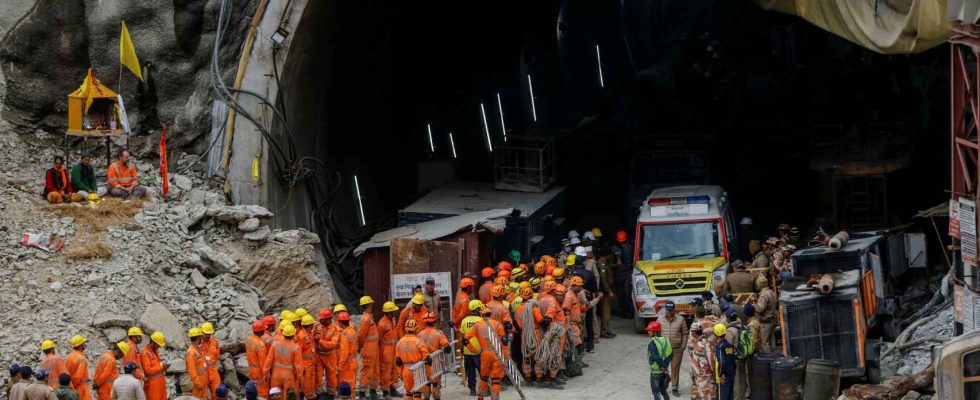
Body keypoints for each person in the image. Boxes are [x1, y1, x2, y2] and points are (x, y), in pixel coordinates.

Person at [465, 306, 505, 400]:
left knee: (484, 378)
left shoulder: (477, 325)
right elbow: (504, 340)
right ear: (490, 314)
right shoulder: (497, 324)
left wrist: (474, 350)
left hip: (484, 354)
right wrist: (506, 355)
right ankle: (495, 398)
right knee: (496, 380)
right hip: (497, 353)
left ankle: (480, 397)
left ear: (481, 314)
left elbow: (465, 340)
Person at [656, 301, 688, 397]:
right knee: (662, 368)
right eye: (668, 310)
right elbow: (656, 333)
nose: (670, 312)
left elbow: (685, 333)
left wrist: (683, 346)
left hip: (677, 349)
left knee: (675, 369)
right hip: (664, 350)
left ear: (674, 309)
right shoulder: (660, 319)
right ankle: (663, 385)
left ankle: (675, 388)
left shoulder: (681, 319)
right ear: (665, 309)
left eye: (671, 310)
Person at [395, 320, 431, 400]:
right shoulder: (419, 342)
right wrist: (429, 374)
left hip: (406, 371)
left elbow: (398, 362)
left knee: (408, 393)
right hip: (417, 370)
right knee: (417, 394)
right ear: (415, 329)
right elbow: (427, 359)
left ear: (405, 329)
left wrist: (400, 374)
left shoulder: (400, 342)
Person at [263, 324, 303, 396]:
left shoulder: (275, 344)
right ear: (293, 335)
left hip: (276, 374)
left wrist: (265, 373)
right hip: (289, 376)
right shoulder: (296, 347)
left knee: (276, 395)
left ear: (283, 333)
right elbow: (299, 366)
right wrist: (300, 379)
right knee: (289, 396)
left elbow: (269, 360)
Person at [514, 287, 542, 385]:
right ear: (531, 296)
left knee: (526, 357)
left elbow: (517, 323)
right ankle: (539, 378)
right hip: (535, 333)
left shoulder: (518, 309)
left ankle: (528, 378)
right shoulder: (534, 307)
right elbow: (540, 320)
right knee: (538, 356)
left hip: (524, 334)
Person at [417, 312, 450, 400]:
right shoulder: (438, 333)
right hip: (435, 364)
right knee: (435, 384)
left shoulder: (419, 334)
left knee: (426, 383)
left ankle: (426, 397)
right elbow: (447, 348)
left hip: (424, 364)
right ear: (434, 321)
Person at [356, 296, 381, 399]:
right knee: (367, 370)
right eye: (371, 304)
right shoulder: (365, 319)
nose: (372, 306)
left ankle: (373, 390)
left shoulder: (369, 317)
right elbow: (361, 335)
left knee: (375, 370)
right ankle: (362, 392)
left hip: (373, 348)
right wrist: (360, 346)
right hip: (368, 349)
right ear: (369, 305)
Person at [459, 300, 484, 396]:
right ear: (477, 309)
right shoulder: (481, 320)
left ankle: (472, 390)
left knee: (470, 372)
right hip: (479, 350)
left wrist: (462, 348)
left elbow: (461, 335)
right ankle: (485, 388)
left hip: (467, 350)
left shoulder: (465, 320)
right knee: (483, 371)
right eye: (480, 308)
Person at [313, 308, 340, 398]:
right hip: (319, 355)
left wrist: (320, 341)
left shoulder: (335, 330)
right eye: (320, 319)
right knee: (318, 375)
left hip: (330, 355)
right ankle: (319, 394)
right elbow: (312, 338)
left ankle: (331, 394)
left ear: (328, 319)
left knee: (331, 375)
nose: (320, 320)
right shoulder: (317, 327)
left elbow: (333, 344)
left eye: (322, 319)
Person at [377, 302, 401, 399]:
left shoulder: (391, 321)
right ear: (388, 313)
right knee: (386, 371)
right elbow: (378, 339)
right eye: (393, 312)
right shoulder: (382, 324)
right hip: (385, 351)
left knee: (394, 370)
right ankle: (385, 391)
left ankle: (393, 389)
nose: (394, 314)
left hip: (393, 349)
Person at [646, 322, 672, 400]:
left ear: (655, 331)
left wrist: (662, 367)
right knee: (663, 390)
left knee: (656, 392)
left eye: (650, 330)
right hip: (664, 372)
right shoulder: (666, 340)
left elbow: (656, 357)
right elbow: (671, 354)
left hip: (656, 372)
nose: (648, 332)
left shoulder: (652, 343)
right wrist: (665, 367)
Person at [688, 326, 714, 400]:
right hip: (697, 374)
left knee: (705, 394)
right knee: (699, 393)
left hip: (704, 375)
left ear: (694, 332)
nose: (691, 333)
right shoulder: (697, 341)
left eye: (691, 331)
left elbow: (711, 359)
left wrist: (714, 372)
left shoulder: (705, 343)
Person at [140, 333, 168, 400]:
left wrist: (164, 367)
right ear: (153, 342)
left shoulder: (154, 352)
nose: (159, 347)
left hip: (160, 383)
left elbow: (156, 367)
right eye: (158, 345)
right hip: (152, 385)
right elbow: (147, 370)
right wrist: (161, 366)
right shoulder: (145, 353)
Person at [245, 321, 269, 399]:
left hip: (251, 369)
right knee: (262, 391)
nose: (265, 331)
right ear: (260, 332)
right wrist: (266, 375)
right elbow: (263, 363)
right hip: (259, 372)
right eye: (263, 330)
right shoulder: (260, 344)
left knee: (254, 387)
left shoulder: (248, 339)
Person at [336, 311, 358, 392]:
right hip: (353, 362)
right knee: (352, 385)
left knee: (347, 386)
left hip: (347, 365)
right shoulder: (353, 331)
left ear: (340, 322)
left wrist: (340, 366)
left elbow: (344, 352)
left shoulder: (344, 334)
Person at [596, 252, 616, 338]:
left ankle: (607, 330)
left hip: (606, 290)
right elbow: (603, 279)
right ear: (607, 254)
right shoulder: (601, 263)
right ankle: (604, 331)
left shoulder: (605, 262)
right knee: (605, 312)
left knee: (607, 312)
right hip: (604, 291)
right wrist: (608, 291)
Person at [199, 322, 222, 400]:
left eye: (210, 333)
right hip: (202, 374)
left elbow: (217, 356)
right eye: (206, 333)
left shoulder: (215, 342)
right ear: (201, 333)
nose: (208, 335)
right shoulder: (197, 344)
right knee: (202, 396)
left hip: (213, 372)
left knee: (217, 394)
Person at [714, 324, 737, 400]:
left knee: (722, 396)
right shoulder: (729, 345)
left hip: (724, 376)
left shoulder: (719, 346)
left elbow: (721, 361)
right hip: (731, 374)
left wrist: (720, 376)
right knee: (730, 396)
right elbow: (733, 360)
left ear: (716, 334)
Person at [755, 275, 777, 353]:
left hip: (766, 321)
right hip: (773, 319)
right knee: (772, 342)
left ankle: (768, 360)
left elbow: (760, 309)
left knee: (764, 343)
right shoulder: (771, 292)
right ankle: (774, 359)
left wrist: (753, 305)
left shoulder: (763, 295)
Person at [65, 336, 92, 400]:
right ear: (80, 345)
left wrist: (71, 386)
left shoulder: (69, 357)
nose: (85, 345)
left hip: (72, 386)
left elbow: (67, 372)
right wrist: (74, 385)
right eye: (83, 343)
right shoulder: (82, 358)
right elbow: (78, 376)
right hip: (81, 388)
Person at [186, 328, 210, 399]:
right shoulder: (191, 353)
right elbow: (192, 371)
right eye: (200, 337)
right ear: (198, 337)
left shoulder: (198, 349)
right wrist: (198, 384)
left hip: (203, 382)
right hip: (197, 385)